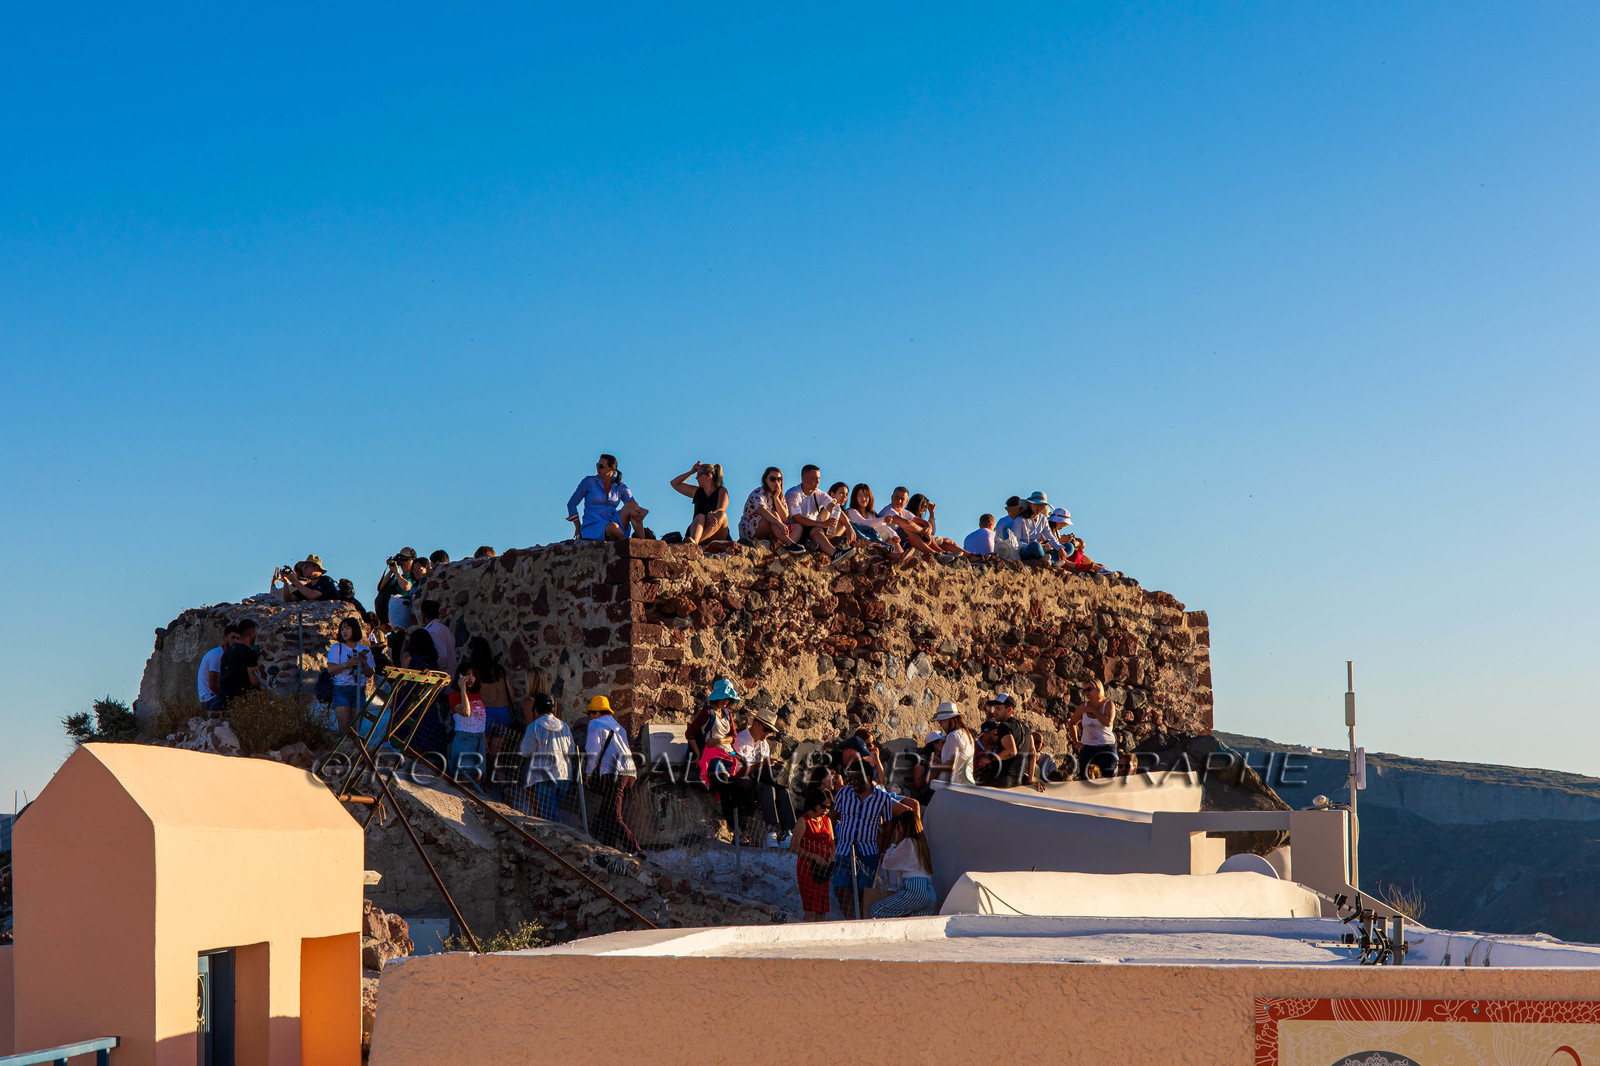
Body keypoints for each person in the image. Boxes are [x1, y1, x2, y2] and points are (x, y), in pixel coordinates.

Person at [831, 763, 918, 919]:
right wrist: (831, 841)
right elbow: (833, 816)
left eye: (856, 778)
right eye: (851, 778)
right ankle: (852, 921)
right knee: (840, 888)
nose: (852, 782)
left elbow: (888, 824)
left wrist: (884, 849)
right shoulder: (844, 793)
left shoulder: (882, 798)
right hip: (844, 849)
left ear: (867, 778)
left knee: (862, 892)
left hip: (869, 852)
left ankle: (859, 922)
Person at [583, 695, 641, 855]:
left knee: (615, 816)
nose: (589, 716)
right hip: (630, 772)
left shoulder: (595, 724)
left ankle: (635, 850)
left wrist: (588, 773)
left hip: (613, 772)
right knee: (607, 813)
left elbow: (593, 752)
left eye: (590, 713)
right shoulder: (618, 726)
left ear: (596, 712)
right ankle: (609, 848)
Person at [732, 713, 796, 846]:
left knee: (783, 791)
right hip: (743, 784)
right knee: (768, 788)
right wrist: (761, 764)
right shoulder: (740, 740)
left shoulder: (764, 744)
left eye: (770, 731)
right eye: (766, 729)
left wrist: (772, 765)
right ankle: (770, 831)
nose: (767, 734)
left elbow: (764, 767)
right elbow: (737, 773)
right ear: (755, 724)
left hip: (758, 781)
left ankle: (787, 831)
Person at [466, 637, 516, 789]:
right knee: (495, 755)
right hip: (503, 713)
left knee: (482, 752)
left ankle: (481, 784)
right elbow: (511, 692)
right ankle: (503, 785)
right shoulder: (499, 669)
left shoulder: (474, 671)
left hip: (486, 714)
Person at [566, 453, 651, 541]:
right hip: (593, 524)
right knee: (613, 527)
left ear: (612, 470)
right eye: (597, 465)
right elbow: (571, 504)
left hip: (614, 521)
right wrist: (578, 527)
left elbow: (633, 505)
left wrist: (643, 512)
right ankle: (625, 544)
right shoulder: (589, 482)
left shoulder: (620, 486)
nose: (598, 468)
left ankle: (643, 541)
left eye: (601, 466)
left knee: (632, 505)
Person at [869, 810, 937, 918]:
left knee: (876, 911)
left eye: (899, 826)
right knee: (915, 922)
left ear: (903, 826)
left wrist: (895, 842)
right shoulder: (922, 844)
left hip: (914, 889)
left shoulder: (907, 842)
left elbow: (887, 863)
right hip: (929, 891)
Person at [519, 692, 574, 820]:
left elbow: (526, 752)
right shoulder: (565, 726)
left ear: (536, 709)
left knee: (548, 818)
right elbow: (571, 751)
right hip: (564, 776)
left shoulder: (534, 726)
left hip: (544, 777)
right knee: (552, 812)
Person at [784, 464, 855, 562]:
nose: (818, 481)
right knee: (816, 529)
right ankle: (834, 553)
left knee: (842, 522)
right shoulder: (793, 493)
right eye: (814, 478)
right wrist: (821, 524)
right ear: (804, 479)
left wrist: (849, 526)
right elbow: (797, 518)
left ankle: (821, 544)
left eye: (819, 478)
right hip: (799, 528)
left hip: (815, 528)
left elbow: (834, 508)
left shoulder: (818, 493)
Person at [792, 787, 836, 922]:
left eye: (829, 807)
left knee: (822, 909)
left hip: (824, 869)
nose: (826, 810)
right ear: (814, 803)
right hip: (808, 868)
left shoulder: (827, 821)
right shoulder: (803, 821)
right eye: (823, 806)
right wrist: (815, 857)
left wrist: (832, 857)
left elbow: (832, 844)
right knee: (811, 910)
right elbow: (793, 847)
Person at [326, 615, 376, 732]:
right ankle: (342, 744)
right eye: (342, 629)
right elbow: (331, 669)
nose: (344, 631)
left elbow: (370, 673)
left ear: (355, 629)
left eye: (348, 628)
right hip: (341, 689)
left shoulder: (365, 650)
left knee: (355, 728)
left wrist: (364, 663)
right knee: (344, 726)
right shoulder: (337, 647)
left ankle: (352, 744)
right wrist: (348, 664)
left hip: (359, 690)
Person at [738, 467, 804, 551]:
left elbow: (784, 517)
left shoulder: (780, 496)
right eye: (772, 479)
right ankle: (790, 543)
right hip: (752, 528)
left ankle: (784, 547)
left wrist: (776, 498)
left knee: (798, 527)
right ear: (766, 480)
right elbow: (762, 511)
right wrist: (778, 523)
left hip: (772, 530)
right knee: (773, 515)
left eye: (779, 479)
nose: (776, 482)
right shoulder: (758, 493)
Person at [670, 462, 731, 544]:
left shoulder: (721, 491)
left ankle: (697, 542)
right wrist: (691, 472)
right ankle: (695, 541)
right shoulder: (697, 491)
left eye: (699, 474)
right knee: (700, 516)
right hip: (697, 530)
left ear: (708, 476)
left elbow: (721, 509)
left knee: (722, 515)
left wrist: (710, 514)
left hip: (715, 531)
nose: (696, 478)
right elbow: (674, 483)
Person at [1069, 679, 1118, 779]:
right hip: (1088, 749)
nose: (1086, 693)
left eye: (1089, 689)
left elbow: (1108, 723)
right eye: (1084, 691)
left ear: (1098, 689)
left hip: (1106, 748)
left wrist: (1093, 710)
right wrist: (1075, 742)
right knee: (1086, 780)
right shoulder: (1083, 707)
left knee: (1107, 780)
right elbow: (1072, 723)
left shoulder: (1108, 705)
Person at [446, 665, 488, 781]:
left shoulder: (477, 695)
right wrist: (463, 690)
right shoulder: (454, 695)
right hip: (464, 739)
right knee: (463, 777)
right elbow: (466, 712)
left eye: (473, 675)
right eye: (467, 674)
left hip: (479, 739)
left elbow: (480, 719)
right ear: (460, 676)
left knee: (477, 777)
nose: (471, 678)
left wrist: (484, 741)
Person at [687, 678, 741, 761]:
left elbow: (734, 737)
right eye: (724, 697)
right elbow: (689, 733)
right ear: (717, 697)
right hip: (713, 755)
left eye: (728, 698)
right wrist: (698, 755)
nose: (726, 701)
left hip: (729, 753)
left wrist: (719, 741)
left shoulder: (728, 713)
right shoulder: (707, 712)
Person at [877, 487, 942, 557]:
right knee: (907, 529)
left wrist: (928, 529)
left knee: (919, 529)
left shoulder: (904, 512)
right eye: (897, 497)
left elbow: (924, 523)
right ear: (892, 497)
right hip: (886, 540)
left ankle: (942, 553)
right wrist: (923, 531)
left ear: (906, 502)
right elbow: (907, 524)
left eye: (902, 499)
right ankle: (934, 554)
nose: (899, 501)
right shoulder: (888, 510)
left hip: (902, 541)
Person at [985, 692, 1032, 788]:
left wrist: (990, 759)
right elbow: (1033, 754)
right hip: (1018, 783)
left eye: (998, 708)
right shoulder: (1027, 729)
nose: (994, 712)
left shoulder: (1004, 726)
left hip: (1002, 782)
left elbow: (1011, 752)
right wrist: (1030, 781)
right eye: (994, 708)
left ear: (1009, 710)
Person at [929, 702, 976, 787]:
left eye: (941, 721)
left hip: (955, 785)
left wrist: (934, 766)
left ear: (949, 719)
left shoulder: (952, 735)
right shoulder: (966, 734)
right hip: (967, 782)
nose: (940, 724)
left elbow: (951, 766)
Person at [1014, 491, 1068, 563]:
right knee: (1035, 545)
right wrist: (1029, 545)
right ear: (1030, 503)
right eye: (1037, 504)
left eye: (1043, 505)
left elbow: (1049, 536)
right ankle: (1049, 561)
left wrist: (1060, 547)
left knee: (1069, 547)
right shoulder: (1021, 519)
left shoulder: (1043, 519)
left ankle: (1047, 560)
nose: (1040, 508)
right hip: (1025, 551)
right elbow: (1016, 541)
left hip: (1039, 549)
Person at [218, 619, 262, 706]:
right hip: (242, 701)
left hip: (225, 700)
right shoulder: (249, 653)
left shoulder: (227, 652)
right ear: (252, 634)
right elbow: (254, 681)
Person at [845, 484, 902, 551]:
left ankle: (902, 555)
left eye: (866, 495)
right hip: (862, 540)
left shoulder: (870, 514)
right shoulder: (851, 511)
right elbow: (863, 523)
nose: (863, 498)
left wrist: (893, 534)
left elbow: (880, 527)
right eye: (859, 495)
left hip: (874, 538)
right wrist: (883, 520)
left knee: (892, 538)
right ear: (855, 498)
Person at [196, 624, 236, 714]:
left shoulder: (229, 656)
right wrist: (229, 697)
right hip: (210, 700)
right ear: (225, 638)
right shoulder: (217, 655)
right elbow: (213, 686)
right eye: (233, 637)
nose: (235, 641)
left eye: (238, 638)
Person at [420, 600, 457, 677]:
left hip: (442, 677)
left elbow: (442, 656)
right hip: (452, 674)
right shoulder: (446, 629)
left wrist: (433, 671)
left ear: (423, 615)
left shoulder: (431, 631)